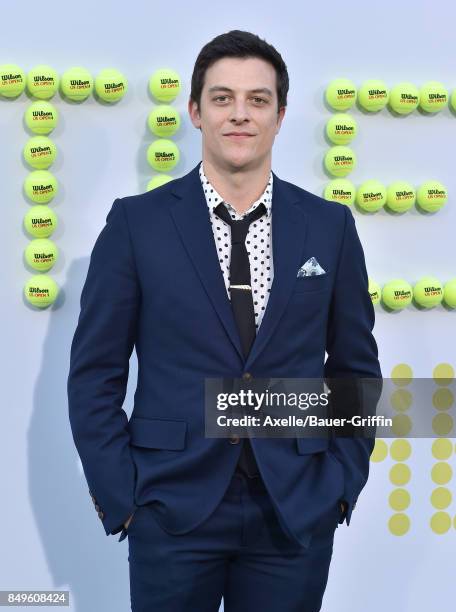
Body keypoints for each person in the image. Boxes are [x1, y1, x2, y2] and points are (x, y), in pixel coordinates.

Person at [67, 29, 382, 612]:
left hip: (294, 510)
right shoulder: (137, 225)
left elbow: (356, 369)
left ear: (281, 115)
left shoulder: (329, 227)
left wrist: (339, 485)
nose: (240, 114)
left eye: (258, 100)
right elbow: (94, 373)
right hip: (171, 508)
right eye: (222, 98)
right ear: (195, 111)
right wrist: (124, 493)